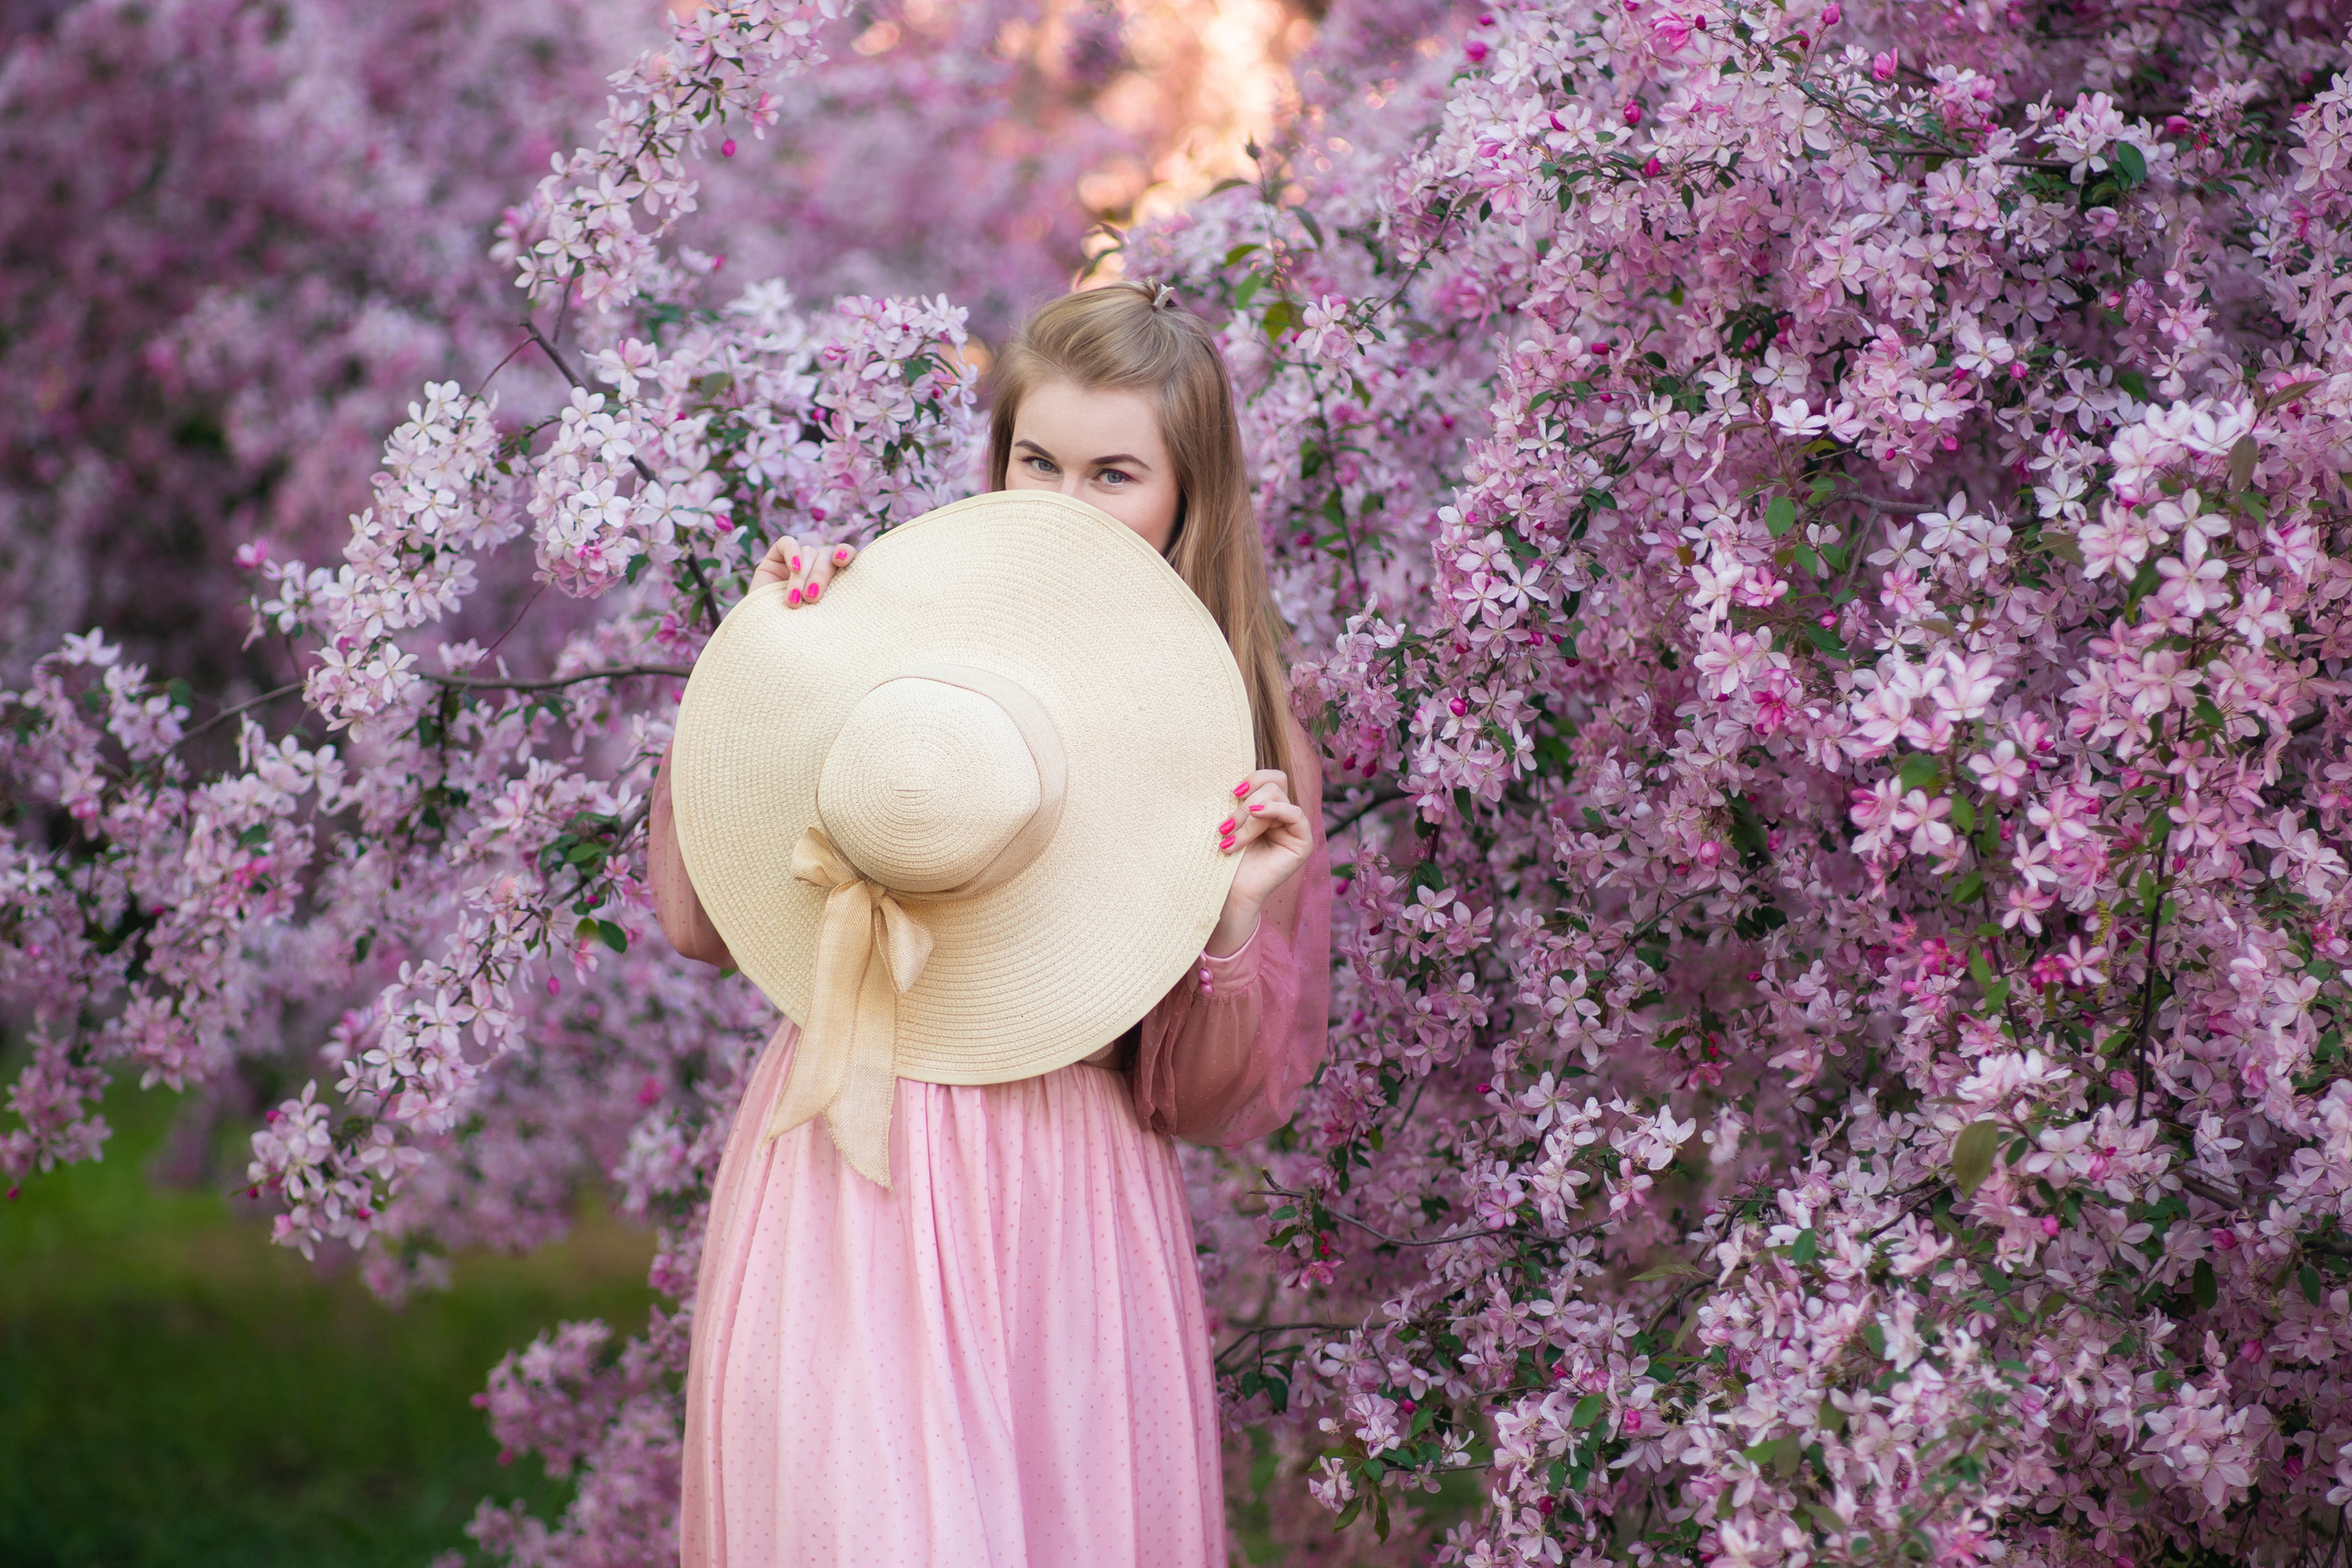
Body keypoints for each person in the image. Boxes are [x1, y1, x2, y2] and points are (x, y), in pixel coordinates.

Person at [649, 282, 1332, 1567]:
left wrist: (1234, 923)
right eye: (1038, 461)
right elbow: (701, 920)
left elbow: (1195, 1095)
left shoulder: (1234, 731)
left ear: (1189, 497)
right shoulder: (897, 644)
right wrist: (759, 676)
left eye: (1113, 473)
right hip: (855, 1144)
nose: (1062, 505)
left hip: (1062, 1186)